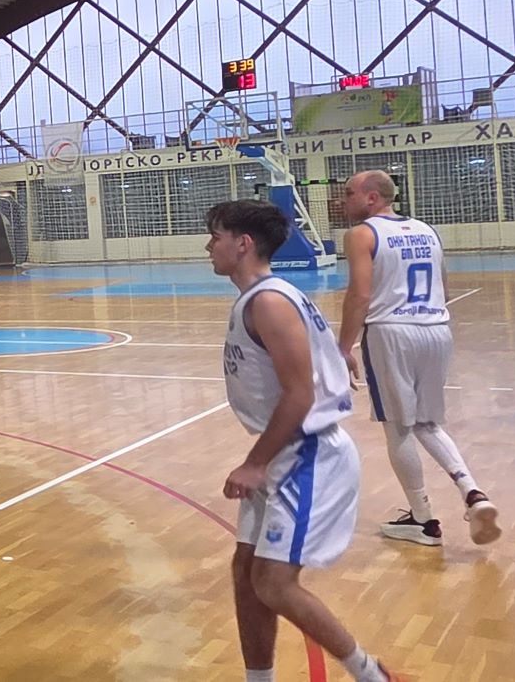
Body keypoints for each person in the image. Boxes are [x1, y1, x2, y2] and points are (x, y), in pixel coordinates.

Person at [204, 199, 399, 682]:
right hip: (284, 450)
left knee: (273, 583)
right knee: (246, 574)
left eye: (216, 236)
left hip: (309, 453)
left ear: (242, 244)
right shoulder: (266, 296)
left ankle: (372, 674)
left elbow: (299, 395)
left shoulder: (269, 301)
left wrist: (255, 463)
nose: (209, 245)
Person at [337, 170, 500, 547]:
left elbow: (359, 296)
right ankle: (472, 492)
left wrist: (343, 348)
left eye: (349, 193)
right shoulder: (427, 230)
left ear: (372, 197)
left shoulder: (361, 234)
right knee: (427, 422)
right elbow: (444, 288)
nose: (343, 201)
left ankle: (423, 519)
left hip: (391, 332)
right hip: (436, 328)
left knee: (397, 427)